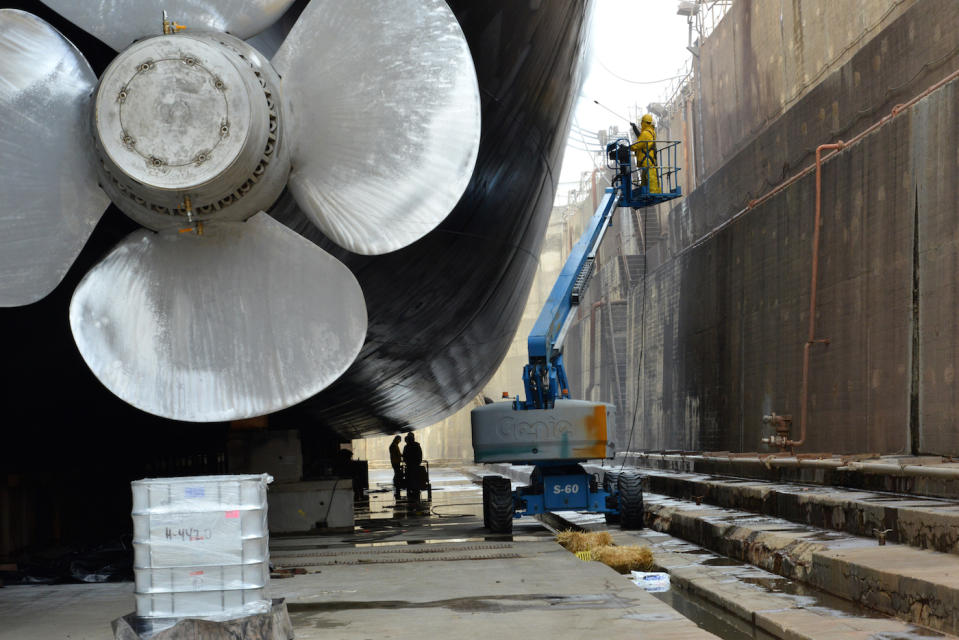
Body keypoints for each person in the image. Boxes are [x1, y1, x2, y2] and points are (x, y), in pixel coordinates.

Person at [629, 114, 660, 194]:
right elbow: (641, 138)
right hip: (648, 159)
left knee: (651, 177)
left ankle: (653, 193)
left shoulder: (646, 133)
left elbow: (638, 144)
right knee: (645, 177)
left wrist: (628, 148)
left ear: (644, 123)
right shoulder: (650, 132)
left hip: (647, 160)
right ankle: (644, 191)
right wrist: (635, 128)